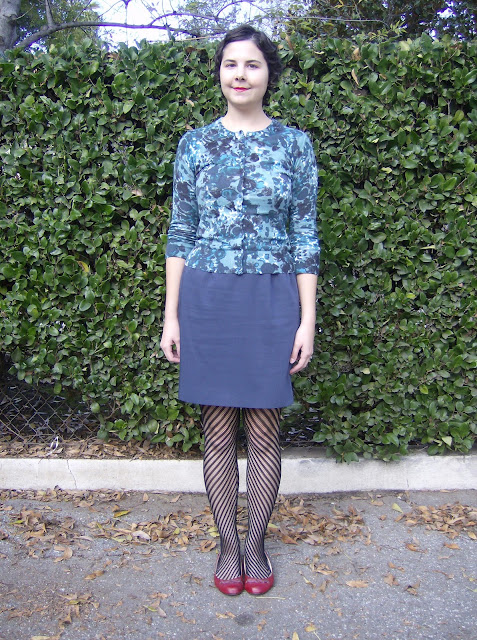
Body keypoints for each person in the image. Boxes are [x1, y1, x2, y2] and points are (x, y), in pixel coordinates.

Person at [160, 24, 320, 596]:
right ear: (220, 74)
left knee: (265, 428)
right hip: (208, 298)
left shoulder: (294, 145)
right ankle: (229, 546)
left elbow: (305, 235)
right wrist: (171, 316)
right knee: (219, 427)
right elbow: (181, 232)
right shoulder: (195, 145)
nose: (241, 74)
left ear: (268, 73)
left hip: (272, 299)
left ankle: (256, 544)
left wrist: (307, 320)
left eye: (252, 64)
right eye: (231, 64)